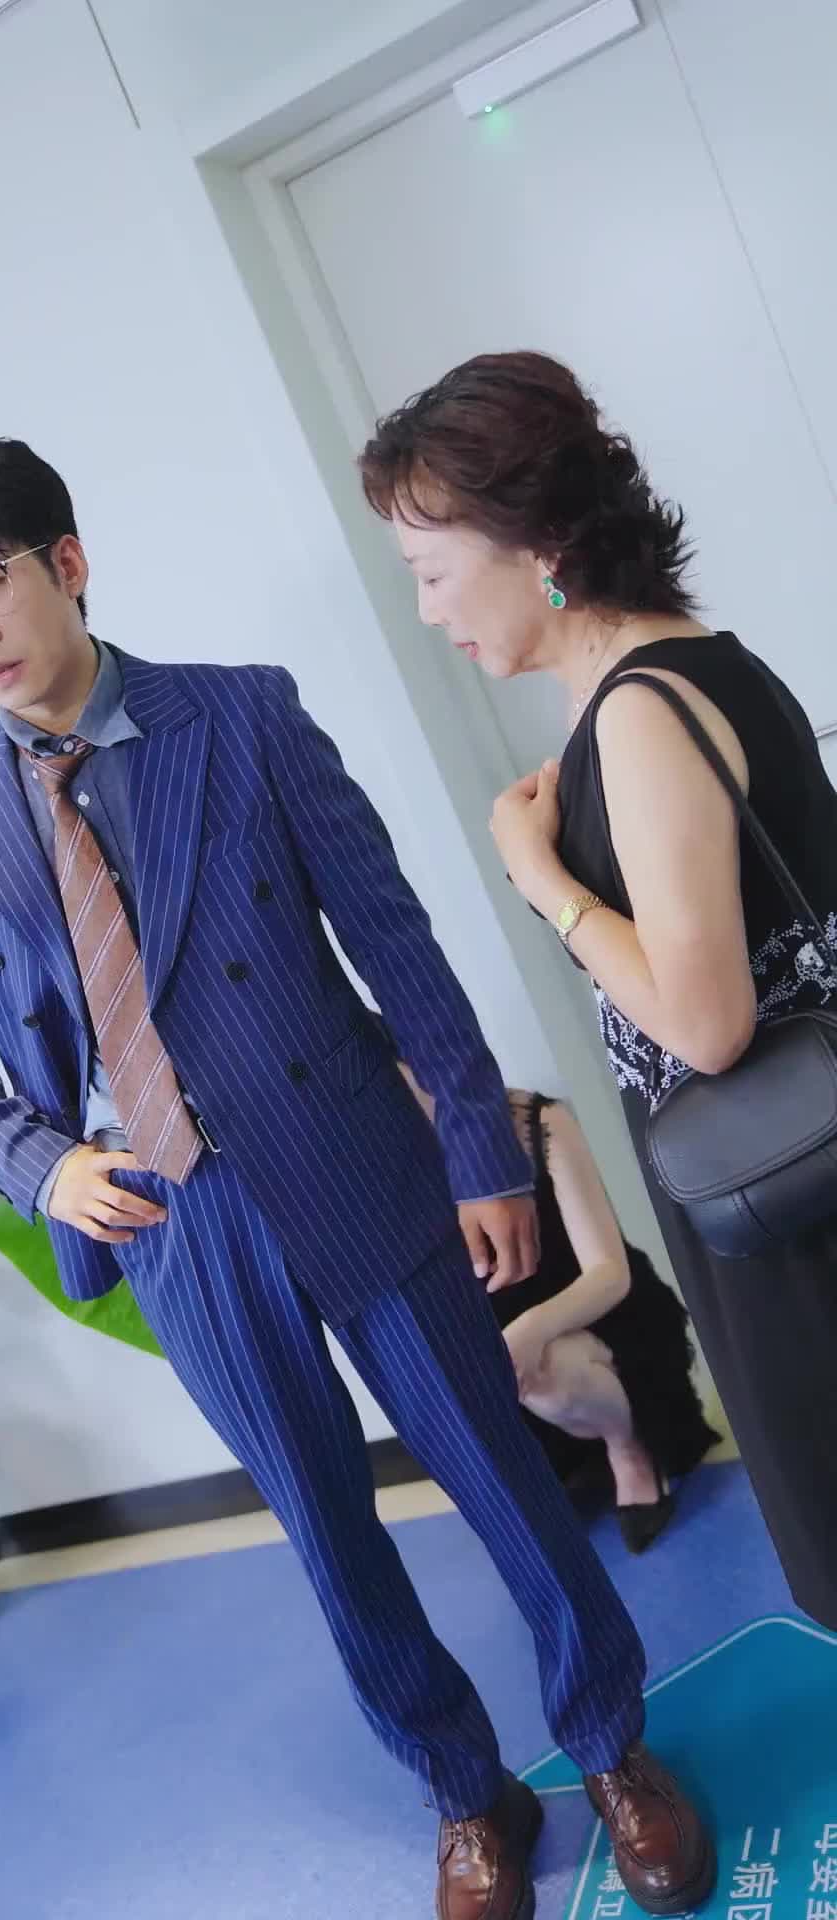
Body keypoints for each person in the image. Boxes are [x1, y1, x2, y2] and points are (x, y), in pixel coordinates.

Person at [0, 437, 712, 1920]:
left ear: (68, 563)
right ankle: (467, 1795)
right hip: (174, 1225)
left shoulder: (244, 716)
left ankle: (610, 1747)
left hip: (356, 1167)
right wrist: (39, 1163)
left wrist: (479, 1151)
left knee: (502, 1477)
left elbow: (394, 943)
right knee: (327, 1531)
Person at [359, 348, 837, 1632]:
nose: (428, 611)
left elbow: (704, 1022)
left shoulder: (642, 709)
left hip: (795, 1211)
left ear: (541, 543)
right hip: (782, 1182)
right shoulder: (681, 670)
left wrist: (540, 878)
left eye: (432, 570)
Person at [395, 1056, 717, 1551]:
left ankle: (628, 1448)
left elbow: (609, 1275)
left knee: (543, 1366)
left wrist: (531, 1331)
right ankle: (560, 1458)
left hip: (607, 1322)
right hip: (506, 1353)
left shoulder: (540, 1122)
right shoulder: (396, 1171)